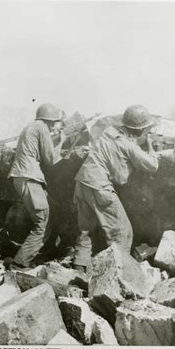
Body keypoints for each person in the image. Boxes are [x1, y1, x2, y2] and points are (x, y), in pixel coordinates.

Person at [72, 104, 159, 272]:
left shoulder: (109, 132)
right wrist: (149, 145)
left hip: (82, 182)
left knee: (86, 230)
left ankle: (79, 269)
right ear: (141, 130)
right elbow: (152, 165)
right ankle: (119, 275)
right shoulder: (128, 145)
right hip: (99, 187)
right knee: (122, 232)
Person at [7, 103, 65, 268]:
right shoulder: (42, 128)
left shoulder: (31, 127)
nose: (55, 125)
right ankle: (20, 263)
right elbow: (51, 159)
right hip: (29, 178)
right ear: (50, 120)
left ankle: (45, 251)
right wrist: (61, 142)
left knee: (53, 209)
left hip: (24, 177)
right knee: (43, 222)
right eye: (54, 122)